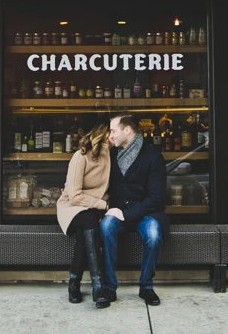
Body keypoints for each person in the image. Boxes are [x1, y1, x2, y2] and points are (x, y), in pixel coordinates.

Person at [99, 113, 168, 306]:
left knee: (153, 235)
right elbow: (96, 179)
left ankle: (146, 286)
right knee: (106, 227)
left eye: (113, 130)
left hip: (146, 213)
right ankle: (109, 288)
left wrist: (127, 214)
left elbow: (156, 198)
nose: (109, 135)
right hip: (117, 210)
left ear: (127, 130)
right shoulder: (111, 154)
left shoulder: (153, 156)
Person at [56, 123, 111, 309]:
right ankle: (97, 286)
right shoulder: (80, 157)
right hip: (72, 207)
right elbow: (75, 196)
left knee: (84, 235)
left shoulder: (113, 155)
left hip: (94, 208)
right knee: (88, 223)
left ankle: (74, 284)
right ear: (103, 135)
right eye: (111, 132)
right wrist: (104, 205)